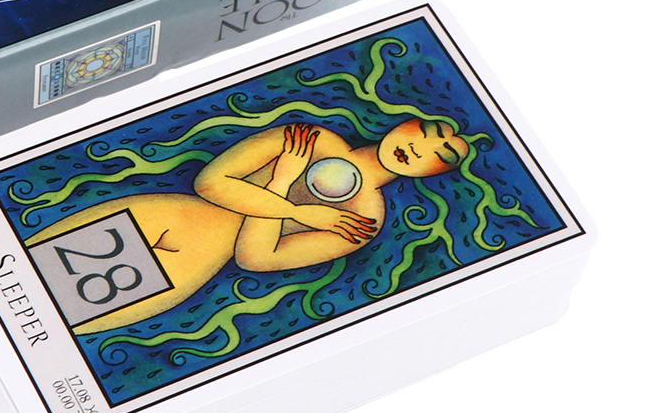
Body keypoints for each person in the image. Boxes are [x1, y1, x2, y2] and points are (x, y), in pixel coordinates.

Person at [26, 118, 469, 333]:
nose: (420, 149)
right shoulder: (310, 138)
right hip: (157, 214)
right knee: (21, 274)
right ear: (406, 124)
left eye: (441, 155)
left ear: (433, 172)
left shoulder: (364, 221)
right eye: (426, 133)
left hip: (187, 265)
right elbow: (210, 183)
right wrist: (294, 207)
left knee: (47, 329)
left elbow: (255, 257)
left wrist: (280, 186)